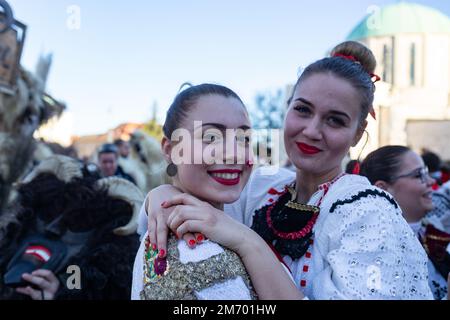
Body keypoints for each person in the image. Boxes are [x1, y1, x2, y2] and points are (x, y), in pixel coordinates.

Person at [143, 41, 433, 299]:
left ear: (358, 133)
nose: (311, 131)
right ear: (288, 108)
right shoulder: (262, 190)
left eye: (335, 120)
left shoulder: (369, 215)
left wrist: (248, 242)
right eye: (303, 110)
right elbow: (198, 199)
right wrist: (163, 193)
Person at [131, 84, 258, 300]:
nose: (234, 153)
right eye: (211, 137)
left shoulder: (227, 220)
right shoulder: (193, 250)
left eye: (243, 138)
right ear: (170, 150)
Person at [0, 155, 142, 300]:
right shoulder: (10, 245)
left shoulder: (103, 284)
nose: (52, 228)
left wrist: (63, 296)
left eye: (78, 225)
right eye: (48, 213)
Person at [360, 145, 450, 300]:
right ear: (383, 189)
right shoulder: (373, 252)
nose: (430, 181)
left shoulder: (431, 236)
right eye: (418, 175)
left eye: (426, 172)